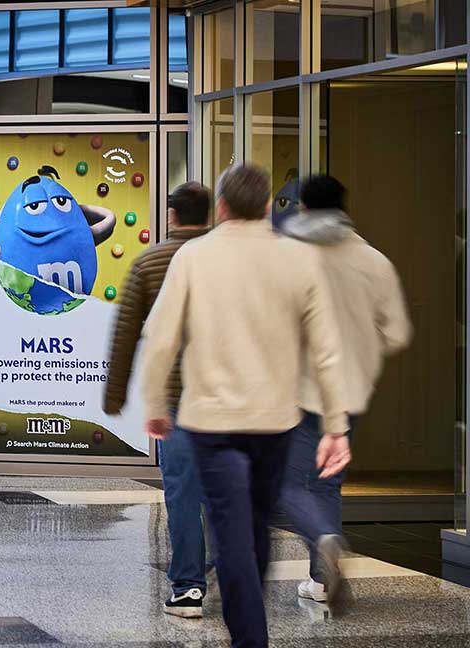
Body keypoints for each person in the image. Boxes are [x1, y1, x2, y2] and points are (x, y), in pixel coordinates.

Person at [140, 164, 350, 648]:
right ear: (267, 208)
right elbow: (326, 348)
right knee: (252, 526)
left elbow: (161, 338)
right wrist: (335, 424)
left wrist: (154, 402)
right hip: (275, 421)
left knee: (234, 529)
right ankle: (249, 621)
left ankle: (250, 638)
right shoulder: (297, 260)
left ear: (222, 207)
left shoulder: (194, 257)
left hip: (210, 422)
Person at [276, 175, 412, 606]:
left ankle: (323, 539)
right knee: (327, 486)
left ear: (303, 208)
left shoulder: (291, 255)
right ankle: (319, 580)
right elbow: (397, 333)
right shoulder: (375, 261)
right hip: (350, 391)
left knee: (287, 485)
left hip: (296, 388)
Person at [104, 181, 212, 618]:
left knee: (183, 492)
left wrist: (114, 395)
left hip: (175, 399)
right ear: (210, 214)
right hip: (229, 399)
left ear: (172, 214)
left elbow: (127, 330)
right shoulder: (225, 262)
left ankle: (189, 587)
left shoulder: (150, 261)